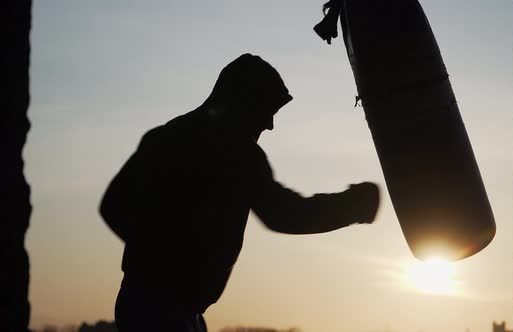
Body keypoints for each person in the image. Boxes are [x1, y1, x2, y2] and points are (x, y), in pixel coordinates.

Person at [99, 53, 380, 332]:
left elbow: (112, 206)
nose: (269, 124)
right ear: (243, 102)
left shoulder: (166, 136)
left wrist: (155, 254)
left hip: (157, 306)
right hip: (162, 312)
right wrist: (353, 205)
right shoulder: (236, 152)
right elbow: (284, 214)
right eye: (267, 111)